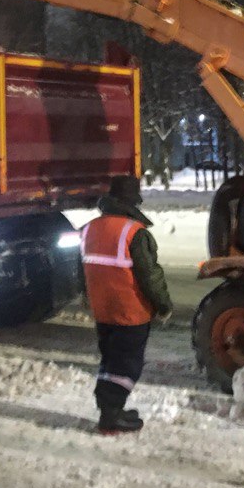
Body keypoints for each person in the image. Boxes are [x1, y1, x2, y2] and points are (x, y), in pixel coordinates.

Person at [79, 175, 173, 435]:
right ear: (132, 203)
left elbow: (83, 271)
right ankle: (110, 417)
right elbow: (150, 275)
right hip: (130, 312)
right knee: (126, 366)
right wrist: (163, 304)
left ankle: (111, 409)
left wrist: (88, 298)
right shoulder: (135, 233)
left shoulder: (89, 229)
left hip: (103, 311)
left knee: (110, 361)